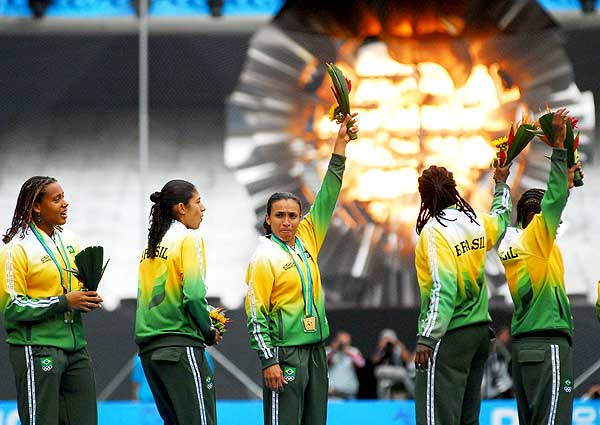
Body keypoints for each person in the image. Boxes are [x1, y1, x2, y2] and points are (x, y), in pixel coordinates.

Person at [245, 113, 358, 425]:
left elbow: (327, 197)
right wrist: (269, 361)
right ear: (268, 218)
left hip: (316, 352)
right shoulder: (264, 257)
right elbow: (256, 315)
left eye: (293, 215)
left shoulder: (307, 237)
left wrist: (339, 149)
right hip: (286, 354)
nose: (287, 222)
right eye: (280, 215)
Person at [497, 108, 582, 425]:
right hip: (549, 346)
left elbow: (549, 206)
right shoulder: (537, 240)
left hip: (525, 349)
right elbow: (553, 204)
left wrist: (501, 182)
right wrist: (559, 147)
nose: (557, 220)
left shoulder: (512, 242)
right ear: (538, 217)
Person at [413, 160, 512, 425]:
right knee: (468, 418)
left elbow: (442, 288)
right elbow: (501, 221)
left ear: (424, 197)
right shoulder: (475, 220)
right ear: (454, 189)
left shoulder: (434, 231)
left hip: (450, 336)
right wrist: (501, 184)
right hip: (479, 335)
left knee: (437, 418)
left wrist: (427, 337)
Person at [0, 176, 103, 425]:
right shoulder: (17, 249)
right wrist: (64, 302)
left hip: (76, 348)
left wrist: (86, 297)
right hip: (37, 348)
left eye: (64, 197)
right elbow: (12, 307)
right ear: (37, 206)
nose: (65, 204)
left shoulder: (70, 239)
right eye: (57, 199)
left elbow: (73, 291)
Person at [135, 180, 222, 425]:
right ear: (182, 208)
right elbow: (193, 296)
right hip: (179, 346)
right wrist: (208, 330)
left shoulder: (151, 244)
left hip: (150, 351)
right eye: (198, 201)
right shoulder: (187, 238)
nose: (203, 208)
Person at [372, 328, 414, 399]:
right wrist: (381, 348)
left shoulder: (398, 347)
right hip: (384, 371)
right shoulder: (382, 348)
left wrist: (398, 345)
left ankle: (413, 393)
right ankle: (414, 393)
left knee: (384, 383)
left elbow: (408, 360)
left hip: (397, 372)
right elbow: (374, 361)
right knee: (380, 373)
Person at [326, 330, 365, 399]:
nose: (342, 345)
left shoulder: (353, 351)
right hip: (331, 391)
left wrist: (348, 353)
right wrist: (333, 351)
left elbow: (361, 364)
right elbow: (323, 364)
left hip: (349, 390)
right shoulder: (329, 351)